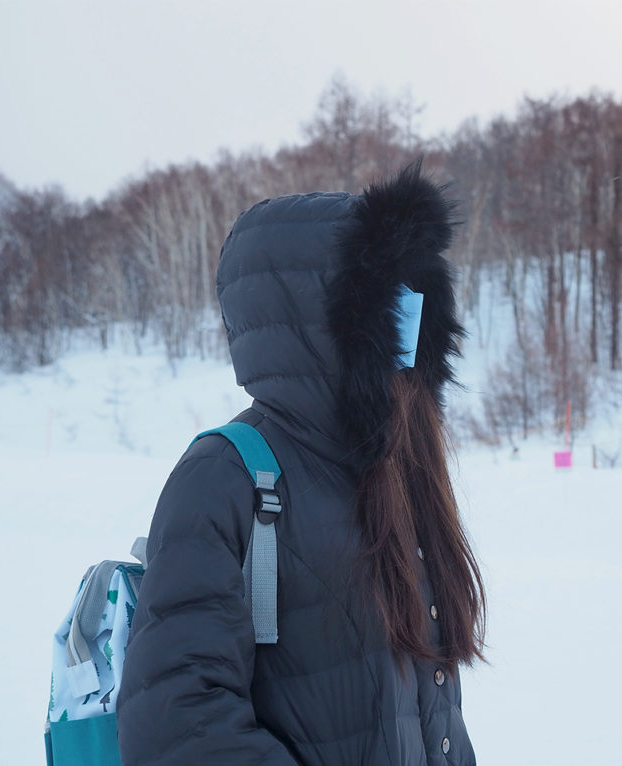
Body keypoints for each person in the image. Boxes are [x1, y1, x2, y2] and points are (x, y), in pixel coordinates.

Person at [116, 161, 486, 765]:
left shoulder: (397, 477)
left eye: (416, 303)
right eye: (388, 303)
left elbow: (433, 720)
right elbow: (177, 727)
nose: (408, 328)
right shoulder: (225, 478)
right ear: (321, 320)